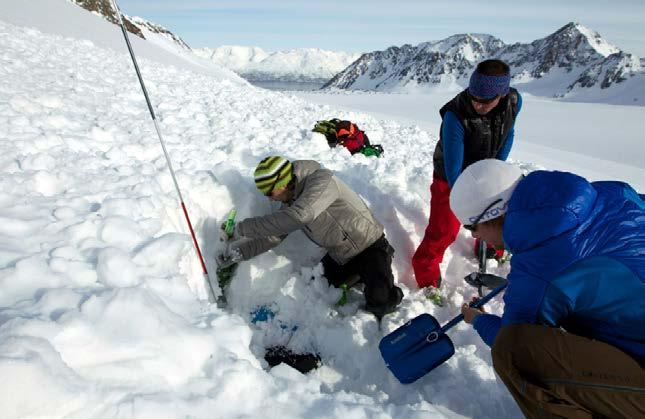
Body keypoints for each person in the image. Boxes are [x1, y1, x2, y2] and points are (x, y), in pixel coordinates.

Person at [450, 159, 645, 418]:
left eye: (471, 226)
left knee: (516, 352)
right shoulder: (612, 192)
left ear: (492, 215)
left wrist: (478, 320)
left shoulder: (537, 274)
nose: (473, 236)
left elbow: (513, 335)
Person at [216, 156, 403, 320]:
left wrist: (242, 229)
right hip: (341, 257)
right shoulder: (293, 202)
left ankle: (387, 286)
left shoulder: (322, 181)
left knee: (381, 301)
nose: (270, 199)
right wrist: (238, 253)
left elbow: (300, 216)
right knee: (315, 287)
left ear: (282, 183)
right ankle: (360, 277)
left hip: (370, 247)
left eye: (269, 193)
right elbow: (273, 236)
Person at [412, 59, 522, 294]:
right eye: (474, 97)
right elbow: (454, 169)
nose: (477, 104)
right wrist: (469, 210)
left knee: (495, 217)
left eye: (484, 101)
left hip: (486, 168)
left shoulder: (514, 101)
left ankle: (492, 247)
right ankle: (426, 274)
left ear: (501, 95)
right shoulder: (456, 115)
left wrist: (495, 170)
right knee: (444, 230)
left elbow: (509, 132)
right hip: (450, 177)